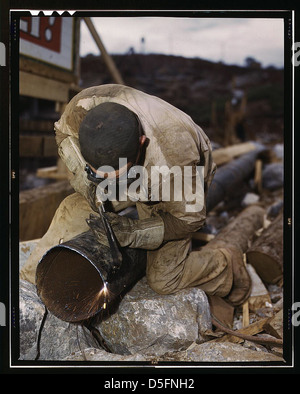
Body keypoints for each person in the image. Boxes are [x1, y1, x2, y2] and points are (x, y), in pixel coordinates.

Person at [20, 84, 251, 306]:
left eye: (116, 174)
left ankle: (226, 265)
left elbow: (189, 220)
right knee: (73, 207)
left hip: (170, 179)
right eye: (101, 173)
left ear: (142, 142)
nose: (109, 183)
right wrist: (84, 177)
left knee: (164, 279)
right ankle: (29, 283)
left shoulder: (175, 157)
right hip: (136, 166)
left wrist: (133, 232)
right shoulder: (83, 107)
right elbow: (63, 134)